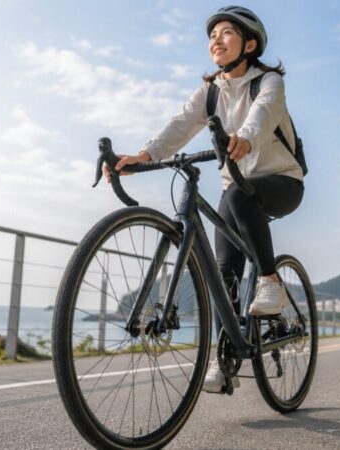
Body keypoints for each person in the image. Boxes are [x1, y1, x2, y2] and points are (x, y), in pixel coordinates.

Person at [106, 5, 304, 393]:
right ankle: (224, 356)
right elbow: (180, 125)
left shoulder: (268, 82)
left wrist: (245, 137)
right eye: (212, 35)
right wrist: (143, 156)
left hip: (282, 182)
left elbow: (264, 115)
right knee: (224, 273)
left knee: (241, 195)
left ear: (250, 44)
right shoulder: (210, 92)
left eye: (226, 33)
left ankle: (270, 280)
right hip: (238, 188)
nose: (216, 39)